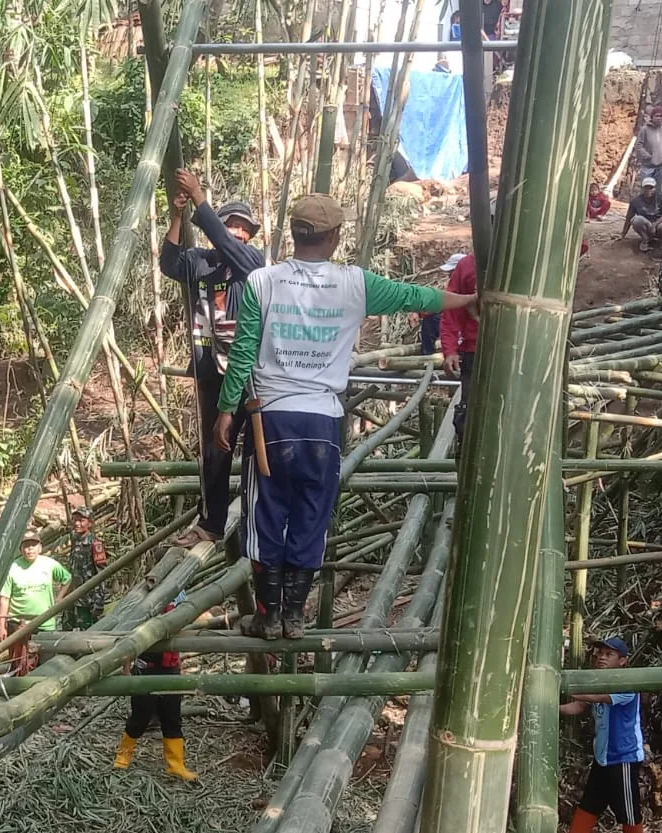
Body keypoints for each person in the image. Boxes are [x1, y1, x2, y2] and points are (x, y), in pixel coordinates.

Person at [214, 194, 477, 641]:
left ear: (294, 232)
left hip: (271, 421)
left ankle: (268, 615)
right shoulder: (355, 283)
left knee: (265, 513)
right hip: (323, 424)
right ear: (335, 236)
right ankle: (295, 616)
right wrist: (466, 298)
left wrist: (225, 410)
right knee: (311, 516)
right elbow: (417, 296)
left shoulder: (263, 281)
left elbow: (243, 351)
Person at [160, 168, 266, 549]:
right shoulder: (204, 262)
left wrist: (200, 199)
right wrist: (178, 215)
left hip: (250, 374)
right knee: (214, 451)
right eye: (231, 226)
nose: (237, 233)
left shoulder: (253, 264)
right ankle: (211, 523)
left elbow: (229, 245)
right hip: (212, 371)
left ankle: (258, 524)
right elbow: (170, 263)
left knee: (258, 449)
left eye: (244, 229)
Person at [556, 637, 648, 833]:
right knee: (591, 800)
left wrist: (565, 686)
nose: (601, 657)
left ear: (623, 661)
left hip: (623, 756)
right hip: (603, 755)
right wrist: (550, 707)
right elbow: (580, 706)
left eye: (609, 654)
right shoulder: (597, 682)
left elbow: (597, 698)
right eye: (600, 653)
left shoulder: (627, 684)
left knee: (627, 806)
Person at [111, 589, 198, 781]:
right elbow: (128, 635)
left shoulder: (181, 598)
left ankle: (176, 765)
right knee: (140, 717)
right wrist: (126, 669)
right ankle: (122, 758)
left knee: (172, 718)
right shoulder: (146, 599)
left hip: (170, 667)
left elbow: (184, 627)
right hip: (146, 667)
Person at [0, 532, 71, 675]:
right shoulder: (13, 568)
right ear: (20, 549)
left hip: (45, 621)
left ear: (40, 548)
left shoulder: (49, 564)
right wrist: (1, 625)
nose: (30, 549)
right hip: (18, 622)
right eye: (26, 546)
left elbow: (67, 579)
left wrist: (59, 598)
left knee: (47, 664)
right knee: (19, 663)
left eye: (33, 546)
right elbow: (4, 598)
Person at [441, 252, 479, 436]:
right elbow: (451, 312)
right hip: (474, 353)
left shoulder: (524, 257)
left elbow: (579, 247)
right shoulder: (467, 265)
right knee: (470, 415)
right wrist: (450, 351)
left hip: (518, 353)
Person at [65, 506, 108, 631]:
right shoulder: (75, 540)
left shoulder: (95, 544)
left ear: (90, 523)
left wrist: (99, 602)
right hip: (72, 596)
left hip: (87, 600)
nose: (77, 524)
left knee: (86, 632)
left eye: (82, 520)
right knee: (67, 630)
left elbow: (102, 574)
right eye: (75, 520)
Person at [622, 178, 662, 251]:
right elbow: (629, 217)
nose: (649, 190)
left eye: (651, 188)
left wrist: (655, 224)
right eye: (646, 188)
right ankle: (645, 239)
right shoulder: (636, 201)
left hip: (659, 224)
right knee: (636, 220)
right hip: (646, 225)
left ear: (655, 188)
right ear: (642, 189)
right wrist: (623, 234)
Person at [635, 105, 662, 190]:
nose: (659, 118)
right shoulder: (644, 129)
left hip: (660, 166)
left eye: (661, 116)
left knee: (658, 191)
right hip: (647, 166)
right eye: (656, 116)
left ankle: (656, 204)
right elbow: (638, 145)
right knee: (646, 190)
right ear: (652, 117)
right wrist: (647, 156)